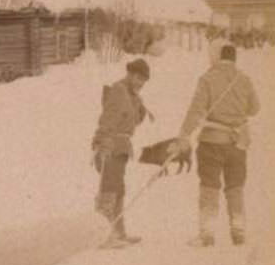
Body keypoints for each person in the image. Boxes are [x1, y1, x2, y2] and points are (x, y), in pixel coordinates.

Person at [174, 42, 260, 246]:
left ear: (216, 56)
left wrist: (183, 135)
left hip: (211, 141)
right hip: (238, 143)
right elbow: (255, 108)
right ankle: (238, 230)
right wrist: (235, 112)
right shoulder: (244, 80)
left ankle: (207, 233)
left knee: (209, 185)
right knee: (235, 186)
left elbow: (196, 110)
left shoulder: (208, 78)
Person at [91, 58, 153, 249]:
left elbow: (131, 121)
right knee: (109, 189)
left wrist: (140, 107)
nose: (141, 83)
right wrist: (103, 142)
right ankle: (104, 235)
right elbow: (107, 119)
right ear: (130, 74)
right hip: (111, 146)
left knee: (118, 190)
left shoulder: (130, 94)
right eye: (139, 78)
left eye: (144, 80)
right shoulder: (118, 91)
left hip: (122, 147)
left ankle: (119, 233)